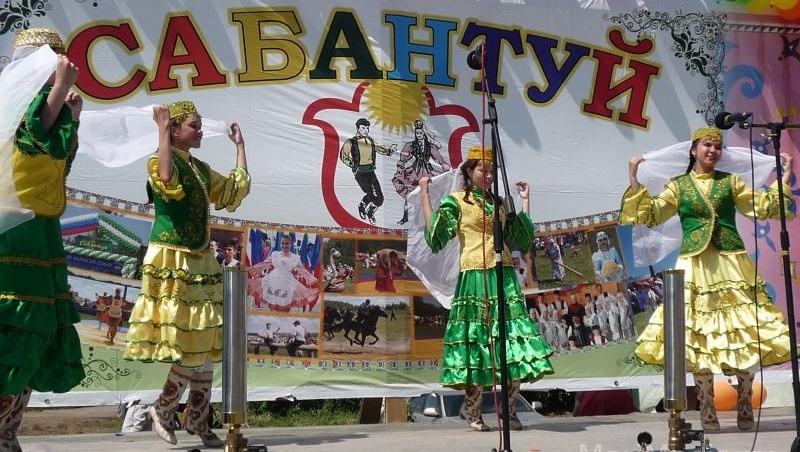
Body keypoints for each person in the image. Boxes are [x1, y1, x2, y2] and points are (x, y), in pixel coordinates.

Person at [620, 125, 794, 431]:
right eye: (706, 146)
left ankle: (743, 402)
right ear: (693, 150)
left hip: (730, 263)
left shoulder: (730, 183)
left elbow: (763, 206)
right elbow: (651, 215)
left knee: (741, 333)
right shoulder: (679, 186)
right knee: (696, 334)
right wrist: (634, 177)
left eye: (716, 147)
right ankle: (707, 406)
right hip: (694, 264)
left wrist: (786, 177)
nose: (712, 151)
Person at [123, 100, 250, 447]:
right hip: (172, 258)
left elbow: (232, 190)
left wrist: (240, 148)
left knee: (206, 339)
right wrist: (161, 128)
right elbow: (165, 179)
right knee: (191, 341)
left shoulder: (200, 168)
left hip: (199, 259)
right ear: (176, 130)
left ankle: (196, 416)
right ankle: (163, 408)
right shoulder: (159, 160)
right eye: (194, 125)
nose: (201, 131)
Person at [418, 146, 554, 432]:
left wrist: (525, 202)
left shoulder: (500, 203)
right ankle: (473, 409)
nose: (489, 176)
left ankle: (510, 410)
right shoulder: (455, 202)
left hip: (503, 276)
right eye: (483, 170)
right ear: (469, 171)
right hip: (474, 277)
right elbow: (434, 239)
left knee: (513, 341)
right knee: (476, 342)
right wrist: (425, 196)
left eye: (492, 171)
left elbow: (522, 237)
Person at [0, 28, 86, 450]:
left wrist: (71, 112)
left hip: (41, 231)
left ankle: (7, 431)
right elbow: (33, 138)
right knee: (18, 327)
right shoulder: (15, 106)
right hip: (14, 232)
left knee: (37, 333)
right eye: (55, 56)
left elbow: (54, 164)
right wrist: (60, 90)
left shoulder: (42, 104)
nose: (62, 63)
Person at [392, 119, 450, 224]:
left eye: (420, 133)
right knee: (410, 193)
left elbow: (439, 159)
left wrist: (445, 167)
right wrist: (400, 167)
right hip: (415, 172)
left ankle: (431, 217)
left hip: (427, 171)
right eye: (417, 133)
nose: (418, 135)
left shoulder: (430, 147)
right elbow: (404, 157)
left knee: (430, 194)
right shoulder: (411, 145)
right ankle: (406, 216)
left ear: (424, 133)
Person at [339, 117, 396, 224]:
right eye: (363, 128)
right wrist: (353, 164)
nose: (366, 130)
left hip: (371, 171)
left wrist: (389, 150)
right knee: (371, 194)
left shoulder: (370, 140)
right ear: (358, 128)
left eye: (367, 128)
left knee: (379, 198)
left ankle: (369, 211)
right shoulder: (351, 142)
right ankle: (362, 207)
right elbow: (343, 155)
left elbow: (379, 148)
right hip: (360, 173)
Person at [255, 235, 319, 312]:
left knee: (284, 306)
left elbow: (302, 270)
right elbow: (264, 264)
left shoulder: (296, 257)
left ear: (291, 244)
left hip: (287, 284)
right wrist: (254, 269)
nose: (284, 245)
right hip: (273, 281)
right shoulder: (275, 254)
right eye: (283, 243)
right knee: (272, 305)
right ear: (280, 244)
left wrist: (311, 279)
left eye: (287, 243)